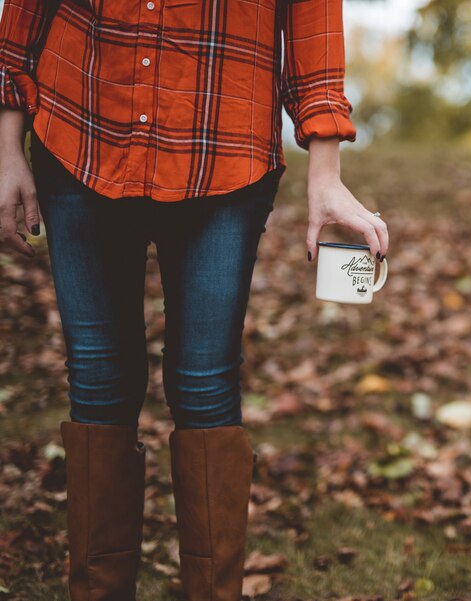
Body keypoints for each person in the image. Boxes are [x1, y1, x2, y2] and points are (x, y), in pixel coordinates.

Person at [0, 0, 389, 598]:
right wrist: (5, 145)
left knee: (206, 388)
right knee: (98, 384)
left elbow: (312, 15)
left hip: (225, 144)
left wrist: (326, 168)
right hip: (81, 128)